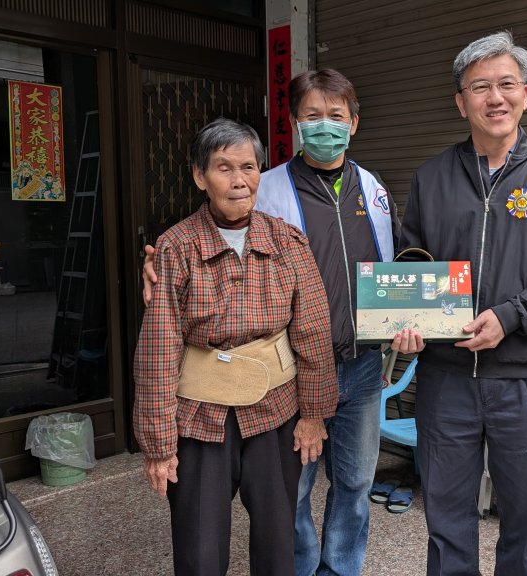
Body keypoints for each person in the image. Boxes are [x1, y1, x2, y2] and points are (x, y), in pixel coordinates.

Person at [143, 70, 405, 576]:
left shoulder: (371, 190)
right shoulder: (259, 195)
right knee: (289, 495)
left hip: (355, 367)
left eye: (336, 116)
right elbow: (163, 336)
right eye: (312, 116)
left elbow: (398, 270)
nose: (239, 180)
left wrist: (415, 326)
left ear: (354, 123)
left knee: (350, 485)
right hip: (251, 388)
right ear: (294, 124)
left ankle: (340, 570)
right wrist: (153, 261)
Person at [391, 32, 527, 576]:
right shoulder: (431, 177)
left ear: (526, 95)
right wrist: (406, 322)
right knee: (445, 513)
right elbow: (411, 263)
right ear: (461, 102)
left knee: (525, 517)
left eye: (506, 84)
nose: (495, 97)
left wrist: (511, 317)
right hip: (445, 376)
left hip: (523, 381)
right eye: (480, 87)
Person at [133, 118, 338, 576]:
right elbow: (159, 349)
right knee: (200, 548)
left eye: (248, 166)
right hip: (201, 416)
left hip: (278, 410)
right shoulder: (176, 247)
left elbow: (313, 331)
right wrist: (159, 444)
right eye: (223, 167)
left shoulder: (287, 240)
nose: (239, 180)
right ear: (199, 176)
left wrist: (313, 414)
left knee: (277, 538)